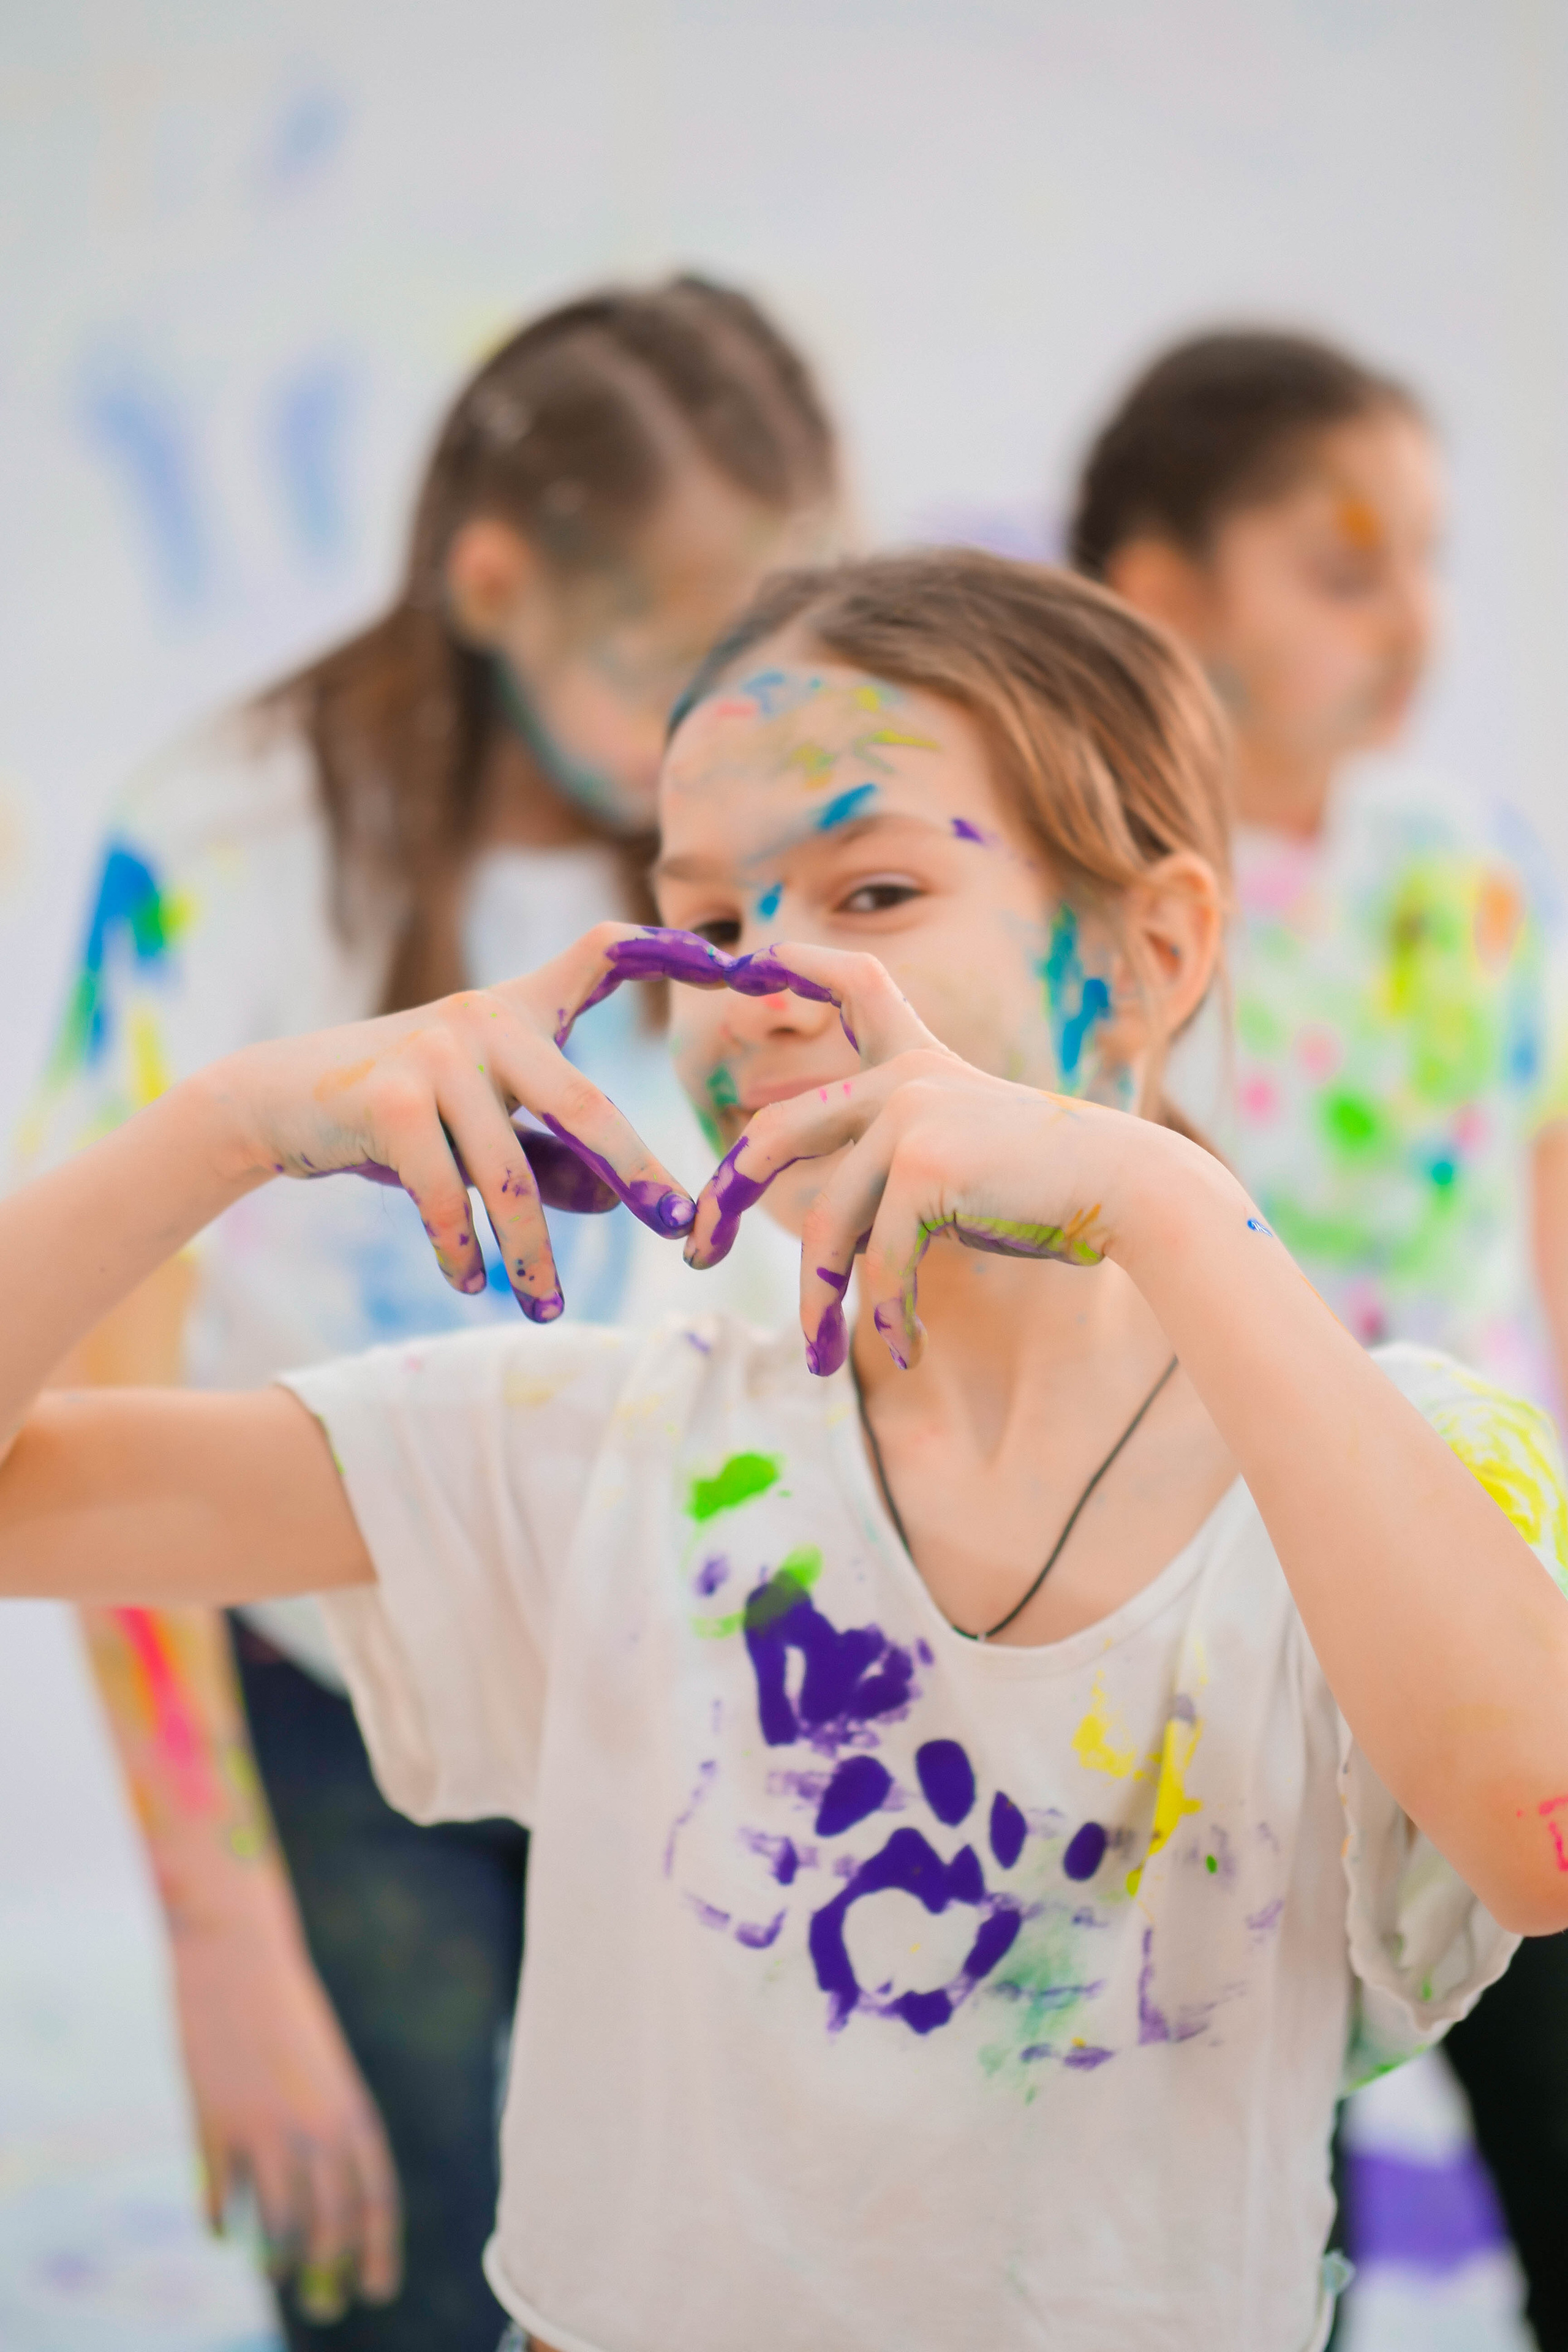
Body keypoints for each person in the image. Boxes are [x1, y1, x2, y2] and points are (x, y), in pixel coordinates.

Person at [6, 547, 1568, 2352]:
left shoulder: (1393, 1468)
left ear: (1154, 951)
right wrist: (222, 1124)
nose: (761, 984)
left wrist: (1155, 1200)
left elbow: (1538, 1835)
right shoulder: (613, 1453)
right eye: (710, 921)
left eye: (878, 886)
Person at [18, 275, 839, 2348]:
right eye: (679, 661)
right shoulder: (232, 846)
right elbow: (87, 1389)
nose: (728, 723)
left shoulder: (756, 848)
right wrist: (224, 1941)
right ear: (495, 582)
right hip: (328, 1658)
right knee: (395, 2264)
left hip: (671, 1645)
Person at [1070, 331, 1568, 2348]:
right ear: (1164, 588)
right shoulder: (1077, 890)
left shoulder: (1450, 863)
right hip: (1219, 1678)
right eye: (1345, 567)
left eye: (1427, 562)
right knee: (1282, 2252)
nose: (1413, 622)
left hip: (1494, 1607)